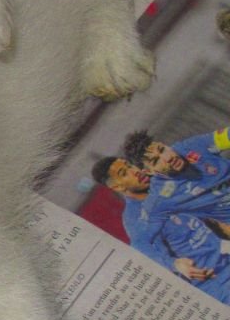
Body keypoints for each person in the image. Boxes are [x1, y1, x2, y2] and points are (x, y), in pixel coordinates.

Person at [92, 156, 230, 303]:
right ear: (117, 187)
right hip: (214, 282)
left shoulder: (165, 187)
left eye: (130, 165)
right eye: (124, 173)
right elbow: (147, 251)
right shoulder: (136, 219)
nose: (135, 171)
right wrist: (174, 264)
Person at [123, 127, 230, 236]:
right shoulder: (160, 199)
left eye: (162, 149)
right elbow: (141, 238)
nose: (168, 158)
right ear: (149, 171)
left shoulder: (191, 146)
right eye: (156, 160)